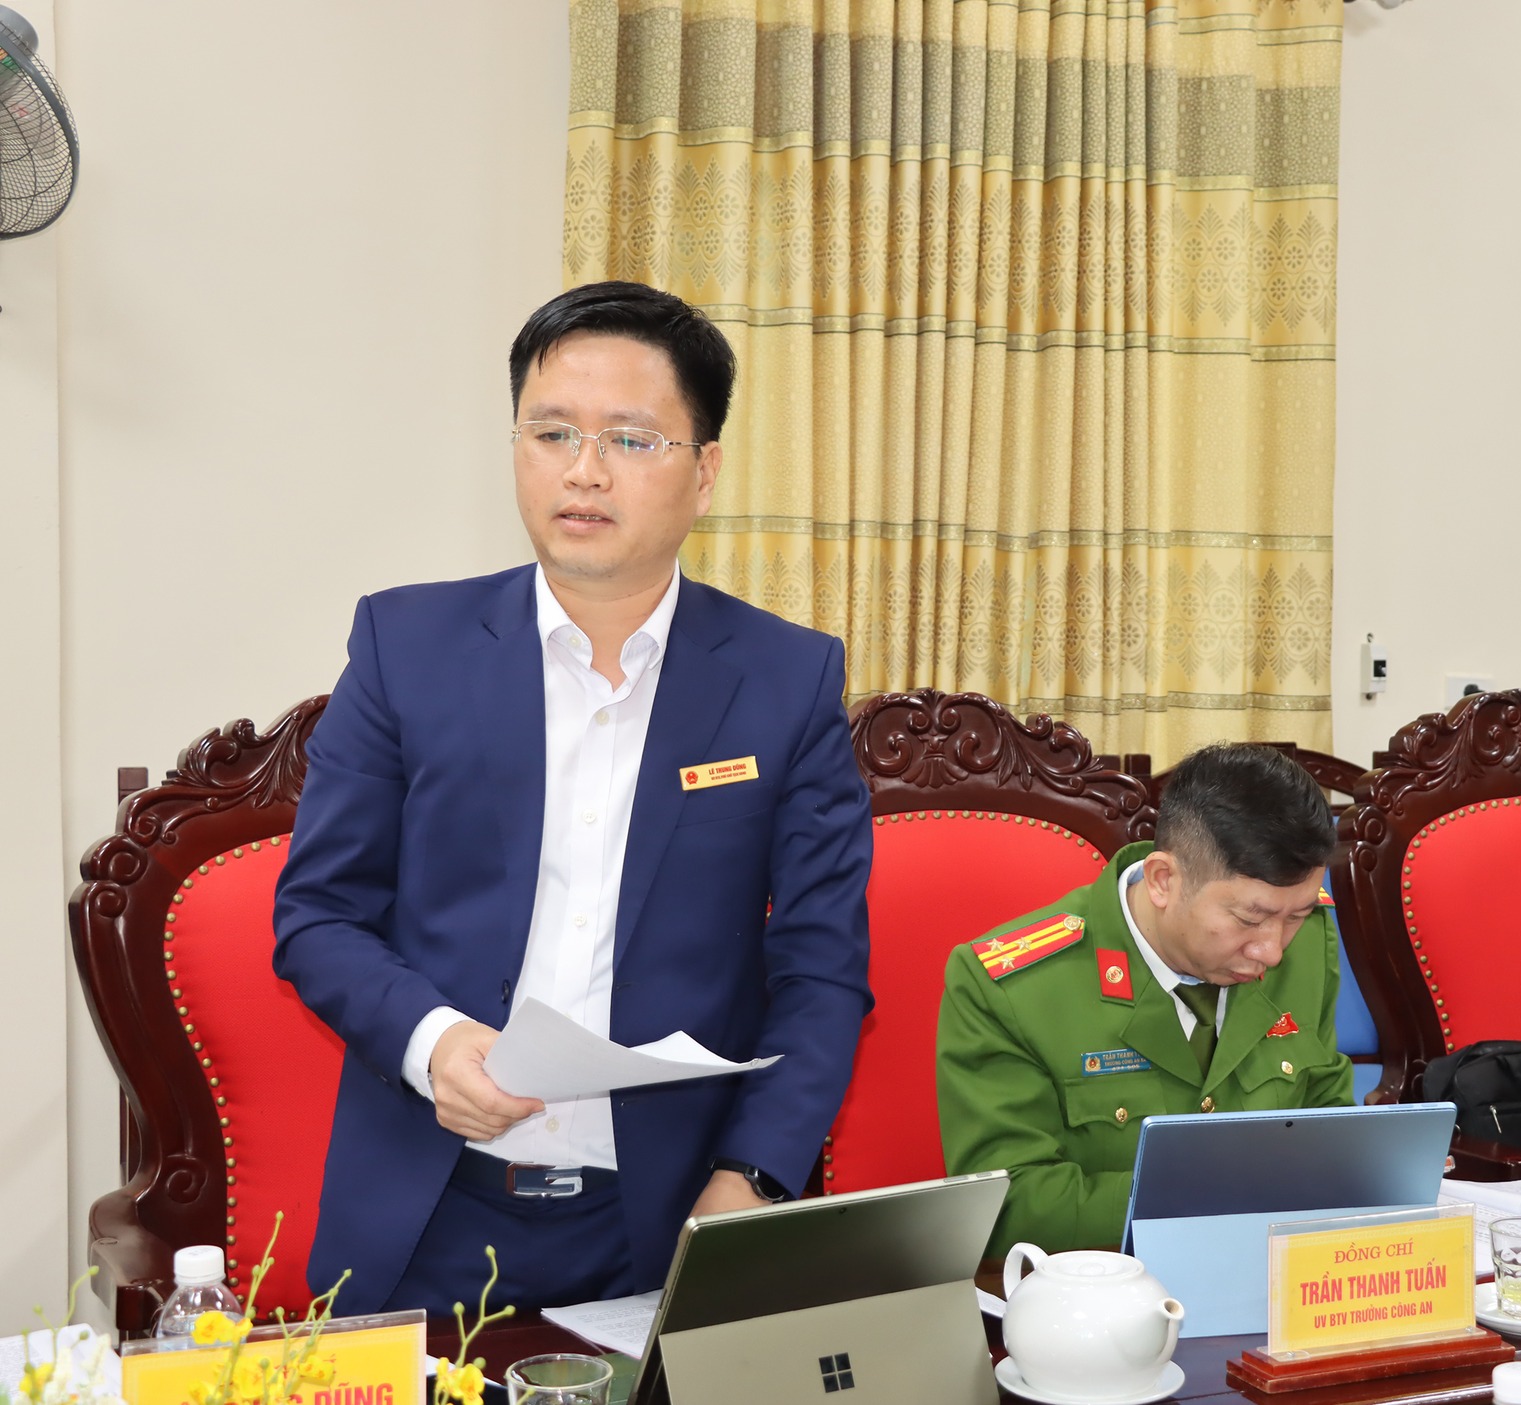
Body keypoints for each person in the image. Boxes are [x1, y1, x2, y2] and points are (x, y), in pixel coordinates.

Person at [273, 281, 873, 1315]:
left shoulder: (785, 680)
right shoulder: (406, 647)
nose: (583, 470)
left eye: (631, 440)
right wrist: (432, 1041)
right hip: (429, 1206)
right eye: (551, 433)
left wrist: (753, 1176)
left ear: (705, 471)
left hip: (671, 1213)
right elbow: (318, 915)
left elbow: (821, 967)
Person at [935, 744, 1356, 1255]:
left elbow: (1328, 1118)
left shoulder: (1309, 942)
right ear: (1163, 881)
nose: (1272, 950)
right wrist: (1212, 1195)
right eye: (1250, 919)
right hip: (1102, 1289)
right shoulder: (1011, 988)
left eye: (1296, 916)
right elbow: (1009, 1206)